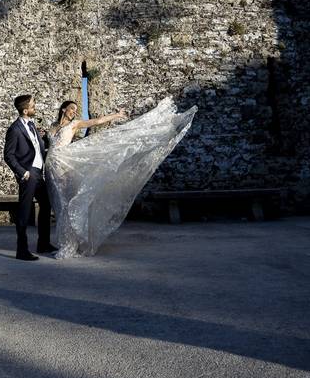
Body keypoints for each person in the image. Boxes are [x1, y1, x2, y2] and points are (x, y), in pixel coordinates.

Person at [44, 96, 197, 258]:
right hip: (51, 167)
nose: (74, 112)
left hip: (65, 164)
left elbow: (96, 122)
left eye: (76, 110)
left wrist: (116, 115)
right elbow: (49, 144)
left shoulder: (74, 124)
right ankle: (64, 242)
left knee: (68, 203)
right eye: (72, 109)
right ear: (63, 109)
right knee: (59, 205)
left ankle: (70, 245)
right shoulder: (52, 127)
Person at [3, 94, 57, 261]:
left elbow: (37, 147)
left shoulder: (32, 126)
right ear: (25, 110)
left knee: (46, 205)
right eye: (33, 105)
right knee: (24, 212)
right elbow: (8, 155)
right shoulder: (14, 129)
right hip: (28, 174)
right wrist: (23, 172)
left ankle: (43, 243)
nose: (35, 107)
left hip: (38, 173)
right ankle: (22, 250)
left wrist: (42, 139)